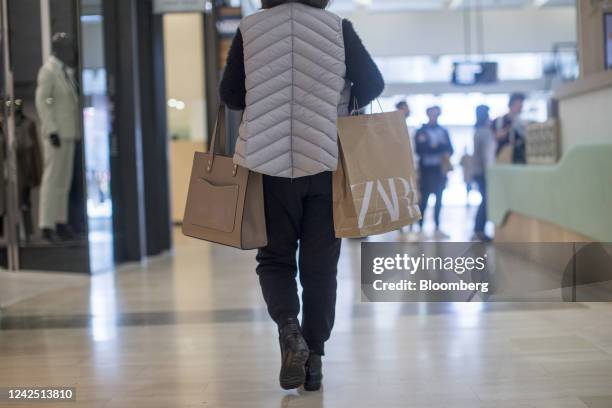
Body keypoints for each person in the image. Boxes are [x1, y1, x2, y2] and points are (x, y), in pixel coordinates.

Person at [219, 0, 384, 391]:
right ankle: (315, 360)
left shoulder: (250, 29)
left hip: (268, 168)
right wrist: (336, 100)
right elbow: (373, 84)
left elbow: (231, 95)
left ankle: (289, 332)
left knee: (274, 260)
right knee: (321, 267)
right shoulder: (337, 27)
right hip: (326, 164)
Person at [36, 32, 80, 243]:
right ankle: (46, 224)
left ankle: (60, 221)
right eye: (67, 46)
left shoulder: (65, 72)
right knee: (52, 180)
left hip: (68, 133)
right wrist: (52, 129)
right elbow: (43, 102)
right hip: (56, 134)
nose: (71, 50)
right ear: (58, 48)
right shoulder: (48, 71)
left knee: (64, 181)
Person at [415, 106, 453, 236]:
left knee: (439, 199)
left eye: (436, 114)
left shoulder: (443, 131)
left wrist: (434, 147)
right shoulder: (421, 131)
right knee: (424, 200)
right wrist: (437, 148)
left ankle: (437, 226)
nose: (434, 116)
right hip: (426, 170)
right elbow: (420, 149)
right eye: (431, 114)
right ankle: (420, 227)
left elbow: (449, 149)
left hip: (439, 170)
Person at [472, 105, 495, 242]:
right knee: (486, 201)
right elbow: (487, 155)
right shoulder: (485, 132)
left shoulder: (477, 131)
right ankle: (479, 230)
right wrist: (490, 173)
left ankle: (478, 229)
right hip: (483, 172)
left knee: (485, 200)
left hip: (478, 171)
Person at [493, 92, 526, 164]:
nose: (519, 108)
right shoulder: (500, 121)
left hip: (518, 159)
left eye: (521, 106)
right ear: (511, 105)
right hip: (503, 157)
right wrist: (510, 127)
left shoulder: (521, 123)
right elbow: (496, 137)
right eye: (518, 106)